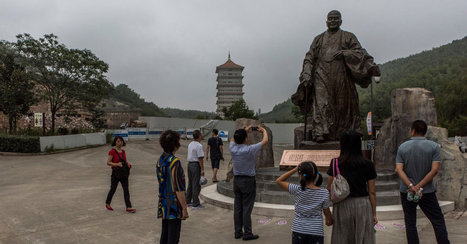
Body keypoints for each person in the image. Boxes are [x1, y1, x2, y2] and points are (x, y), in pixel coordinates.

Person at [292, 10, 380, 142]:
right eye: (330, 18)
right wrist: (306, 73)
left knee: (342, 105)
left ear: (341, 21)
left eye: (336, 18)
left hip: (342, 76)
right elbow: (309, 58)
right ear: (326, 21)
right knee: (321, 103)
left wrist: (346, 53)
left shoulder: (348, 36)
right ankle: (320, 132)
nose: (333, 21)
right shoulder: (318, 39)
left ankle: (343, 134)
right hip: (321, 75)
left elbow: (360, 53)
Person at [395, 120, 450, 244]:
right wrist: (419, 186)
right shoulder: (434, 147)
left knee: (410, 222)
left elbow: (399, 169)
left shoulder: (402, 147)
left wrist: (410, 186)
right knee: (437, 220)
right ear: (424, 132)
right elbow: (435, 170)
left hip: (407, 192)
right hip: (427, 191)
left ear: (412, 130)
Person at [326, 130, 377, 244]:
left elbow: (328, 189)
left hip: (342, 205)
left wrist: (328, 213)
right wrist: (373, 213)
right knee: (362, 237)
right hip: (362, 205)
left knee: (342, 237)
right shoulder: (368, 164)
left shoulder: (335, 163)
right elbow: (372, 192)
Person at [276, 161, 333, 244]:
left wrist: (294, 169)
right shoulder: (324, 192)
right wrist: (329, 220)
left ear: (301, 175)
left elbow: (279, 180)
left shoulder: (297, 190)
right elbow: (327, 212)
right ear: (316, 174)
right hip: (316, 231)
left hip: (298, 230)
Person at [230, 125, 268, 241]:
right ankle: (247, 233)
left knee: (238, 207)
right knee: (247, 208)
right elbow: (265, 140)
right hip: (248, 181)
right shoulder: (249, 149)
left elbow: (233, 139)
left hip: (237, 180)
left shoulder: (232, 149)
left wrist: (243, 131)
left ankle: (237, 231)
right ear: (246, 139)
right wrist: (264, 131)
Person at [157, 130, 189, 244]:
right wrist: (184, 208)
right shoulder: (174, 162)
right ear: (175, 145)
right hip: (174, 205)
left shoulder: (160, 159)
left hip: (164, 203)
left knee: (165, 235)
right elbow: (178, 188)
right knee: (173, 237)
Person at [105, 136, 135, 213]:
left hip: (123, 173)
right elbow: (108, 163)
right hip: (115, 173)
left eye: (121, 141)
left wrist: (128, 164)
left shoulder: (123, 151)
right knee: (113, 189)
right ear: (115, 142)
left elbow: (124, 161)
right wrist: (117, 164)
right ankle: (107, 203)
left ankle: (128, 207)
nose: (120, 143)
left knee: (126, 190)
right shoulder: (112, 151)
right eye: (118, 141)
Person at [186, 130, 205, 209]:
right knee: (196, 184)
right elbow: (200, 159)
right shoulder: (199, 146)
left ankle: (188, 201)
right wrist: (202, 169)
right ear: (199, 136)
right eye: (201, 134)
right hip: (195, 165)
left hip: (189, 164)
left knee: (190, 183)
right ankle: (196, 203)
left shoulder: (190, 144)